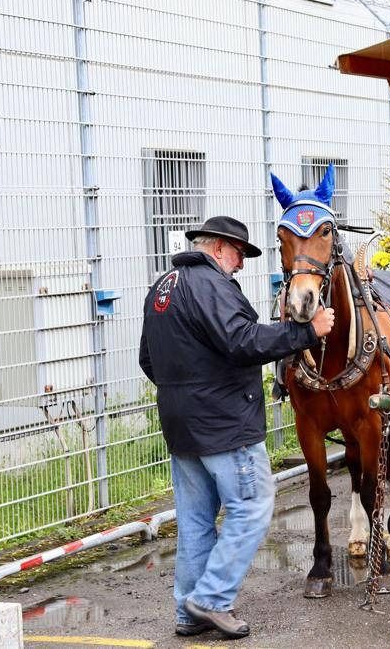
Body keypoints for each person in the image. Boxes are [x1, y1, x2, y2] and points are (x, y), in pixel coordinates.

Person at [139, 215, 335, 639]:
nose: (241, 265)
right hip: (225, 426)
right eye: (239, 255)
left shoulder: (163, 288)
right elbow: (243, 342)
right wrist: (306, 331)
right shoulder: (212, 285)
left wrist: (187, 396)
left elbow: (147, 360)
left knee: (195, 521)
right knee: (252, 507)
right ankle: (211, 599)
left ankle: (189, 613)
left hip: (181, 426)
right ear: (218, 248)